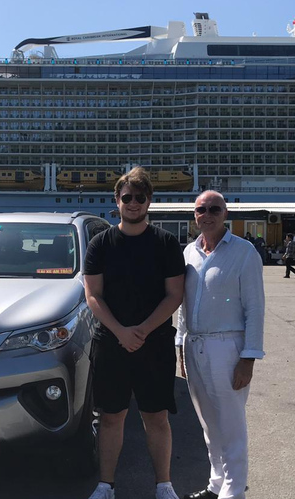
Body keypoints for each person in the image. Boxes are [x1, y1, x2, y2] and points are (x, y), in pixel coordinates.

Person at [83, 167, 186, 499]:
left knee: (155, 418)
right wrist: (120, 332)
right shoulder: (101, 243)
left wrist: (140, 330)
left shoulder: (166, 244)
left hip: (153, 343)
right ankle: (106, 485)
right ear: (117, 201)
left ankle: (164, 485)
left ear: (149, 201)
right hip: (110, 343)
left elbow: (175, 295)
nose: (133, 203)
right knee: (111, 417)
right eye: (127, 197)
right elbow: (92, 295)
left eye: (139, 197)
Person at [176, 190, 265, 499]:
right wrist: (180, 348)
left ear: (226, 214)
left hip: (228, 347)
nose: (208, 214)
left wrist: (249, 357)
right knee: (208, 424)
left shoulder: (244, 252)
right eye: (202, 209)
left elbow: (255, 307)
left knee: (231, 424)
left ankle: (234, 491)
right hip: (194, 345)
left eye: (215, 208)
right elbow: (183, 306)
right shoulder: (189, 253)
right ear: (195, 215)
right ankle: (216, 484)